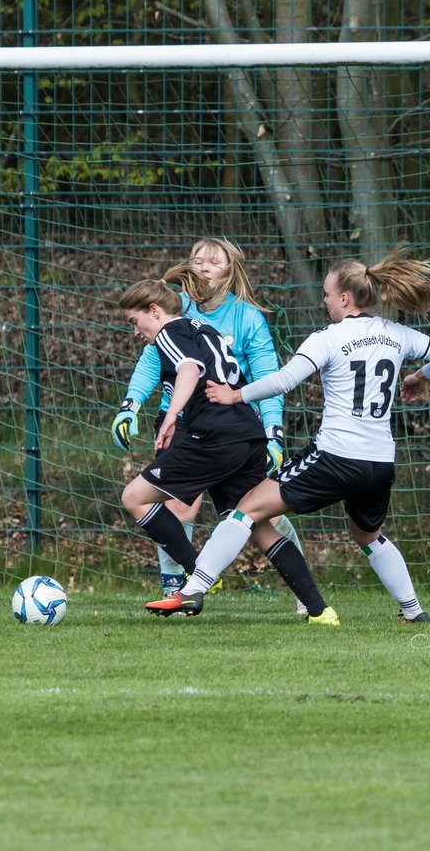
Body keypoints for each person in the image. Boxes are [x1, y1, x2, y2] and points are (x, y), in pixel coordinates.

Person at [145, 246, 430, 624]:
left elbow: (284, 380)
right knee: (368, 536)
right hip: (379, 462)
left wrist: (235, 394)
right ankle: (414, 612)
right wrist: (418, 376)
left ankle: (193, 590)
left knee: (245, 508)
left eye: (328, 294)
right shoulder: (396, 334)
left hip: (335, 457)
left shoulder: (327, 338)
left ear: (345, 298)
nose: (325, 301)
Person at [118, 267, 337, 625]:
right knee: (258, 525)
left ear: (154, 310)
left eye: (135, 320)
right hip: (246, 433)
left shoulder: (170, 331)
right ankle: (319, 610)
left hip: (214, 437)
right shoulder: (204, 329)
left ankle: (197, 574)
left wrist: (172, 416)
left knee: (134, 497)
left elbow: (189, 370)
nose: (136, 330)